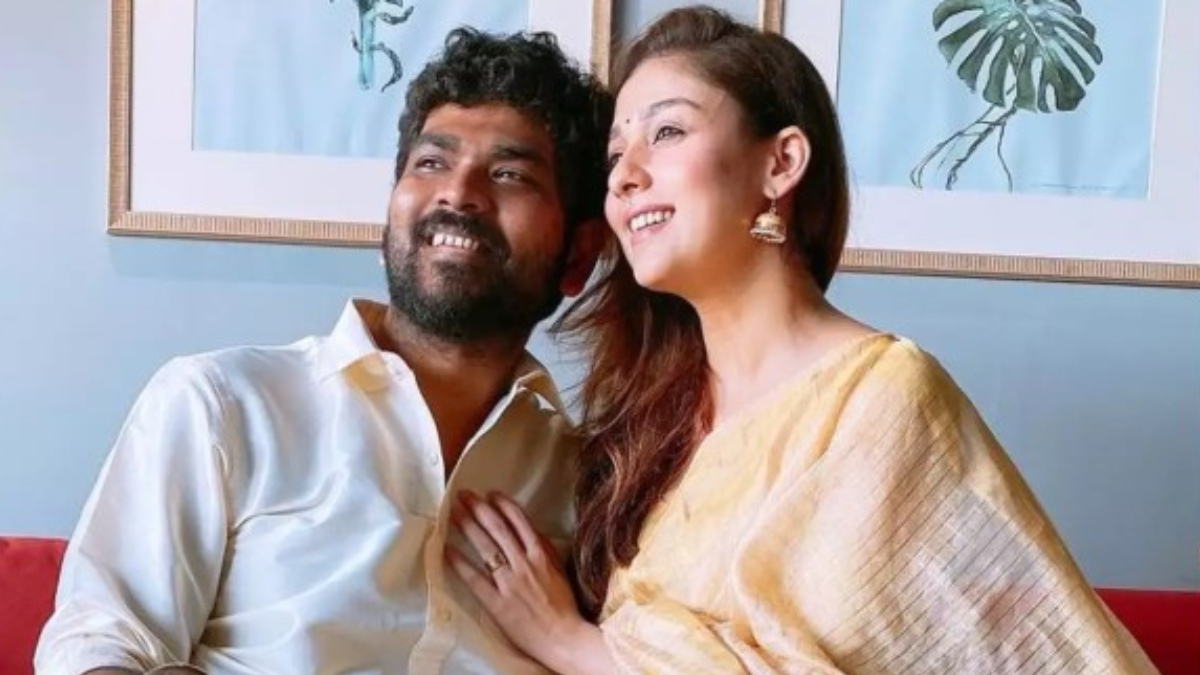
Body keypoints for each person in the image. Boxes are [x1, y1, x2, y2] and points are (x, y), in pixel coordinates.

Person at [445, 6, 1161, 674]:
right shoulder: (650, 416)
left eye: (666, 133)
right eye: (615, 155)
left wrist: (570, 642)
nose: (627, 177)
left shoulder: (879, 398)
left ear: (781, 162)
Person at [35, 26, 612, 675]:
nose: (458, 193)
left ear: (578, 256)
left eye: (509, 174)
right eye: (431, 163)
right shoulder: (221, 404)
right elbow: (101, 638)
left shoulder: (594, 481)